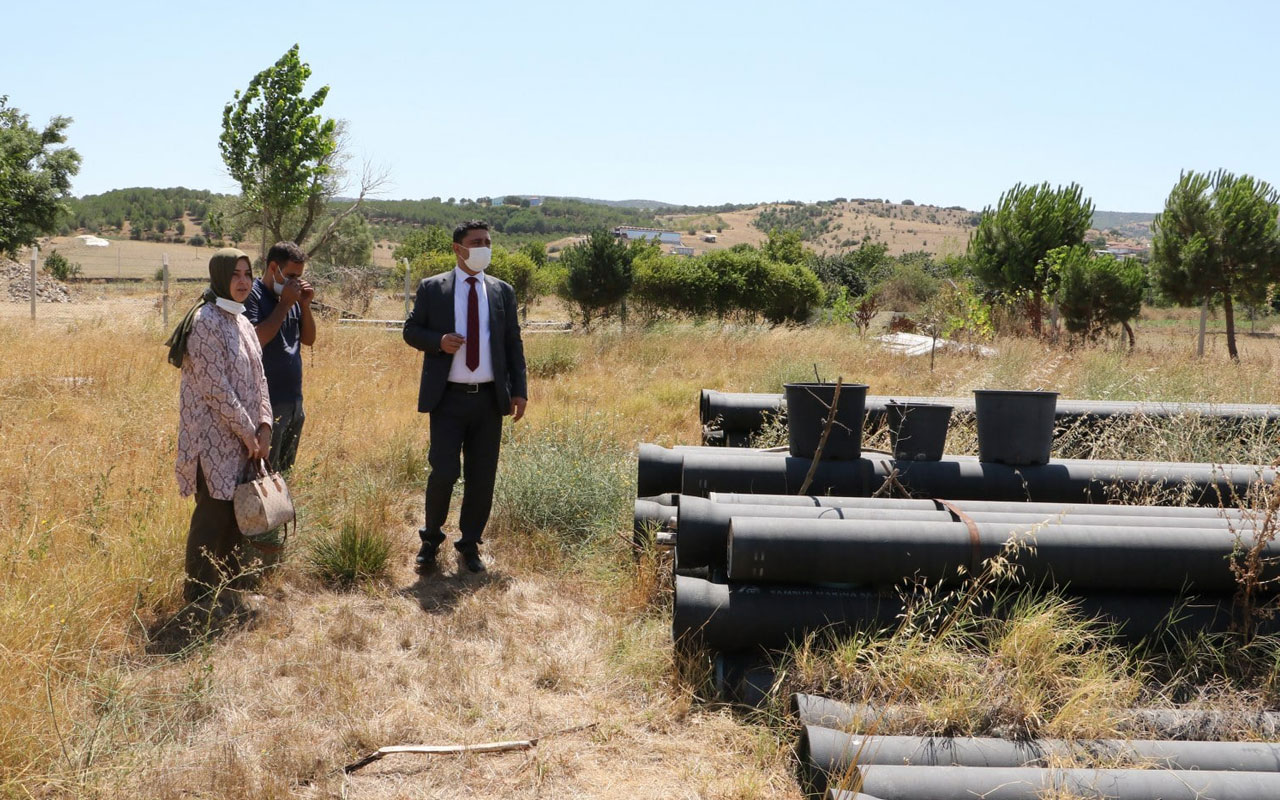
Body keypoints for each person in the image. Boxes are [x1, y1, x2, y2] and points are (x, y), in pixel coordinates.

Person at [403, 220, 527, 573]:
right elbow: (411, 330)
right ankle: (430, 541)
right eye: (477, 242)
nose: (484, 247)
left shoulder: (502, 291)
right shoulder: (433, 288)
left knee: (481, 476)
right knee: (442, 472)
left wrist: (519, 390)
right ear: (458, 248)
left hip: (489, 400)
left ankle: (470, 544)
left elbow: (512, 342)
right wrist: (438, 342)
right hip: (448, 399)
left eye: (488, 241)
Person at [166, 248, 273, 610]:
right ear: (219, 278)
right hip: (211, 441)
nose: (243, 282)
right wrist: (249, 432)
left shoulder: (241, 320)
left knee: (234, 518)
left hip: (244, 441)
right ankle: (197, 599)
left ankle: (226, 592)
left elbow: (259, 377)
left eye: (248, 274)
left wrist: (265, 427)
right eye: (235, 275)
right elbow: (216, 389)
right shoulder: (205, 320)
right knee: (211, 519)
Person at [244, 241, 315, 473]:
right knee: (265, 474)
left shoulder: (292, 298)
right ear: (273, 268)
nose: (296, 282)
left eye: (300, 277)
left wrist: (304, 305)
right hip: (268, 403)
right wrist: (284, 304)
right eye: (291, 275)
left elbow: (308, 339)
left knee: (285, 473)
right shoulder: (253, 296)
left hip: (294, 401)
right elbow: (257, 339)